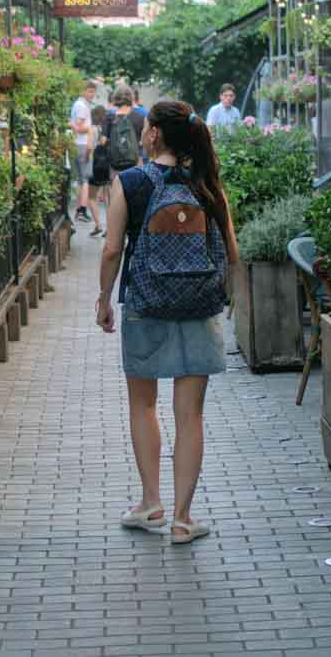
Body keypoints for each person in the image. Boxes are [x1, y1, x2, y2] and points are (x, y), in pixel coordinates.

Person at [96, 100, 239, 546]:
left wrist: (104, 299)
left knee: (143, 405)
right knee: (190, 414)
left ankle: (150, 502)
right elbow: (233, 253)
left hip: (145, 304)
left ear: (154, 133)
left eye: (146, 128)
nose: (141, 133)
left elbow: (112, 250)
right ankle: (182, 519)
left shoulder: (132, 182)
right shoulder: (207, 185)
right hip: (199, 307)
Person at [70, 80, 96, 222]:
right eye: (90, 91)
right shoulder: (82, 106)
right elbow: (78, 127)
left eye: (93, 92)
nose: (92, 94)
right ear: (83, 91)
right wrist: (90, 130)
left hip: (76, 144)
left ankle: (79, 210)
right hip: (83, 144)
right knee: (85, 180)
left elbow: (73, 124)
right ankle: (82, 210)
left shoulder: (77, 104)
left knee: (80, 180)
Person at [106, 84, 144, 175]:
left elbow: (103, 140)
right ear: (131, 98)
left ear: (115, 98)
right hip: (135, 162)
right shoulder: (139, 117)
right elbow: (144, 141)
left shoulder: (109, 117)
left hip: (115, 163)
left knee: (116, 187)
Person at [87, 106, 110, 237]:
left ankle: (98, 225)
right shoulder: (105, 129)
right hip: (106, 165)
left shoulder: (92, 128)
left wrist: (85, 157)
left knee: (91, 197)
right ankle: (109, 227)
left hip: (94, 165)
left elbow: (90, 146)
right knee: (108, 199)